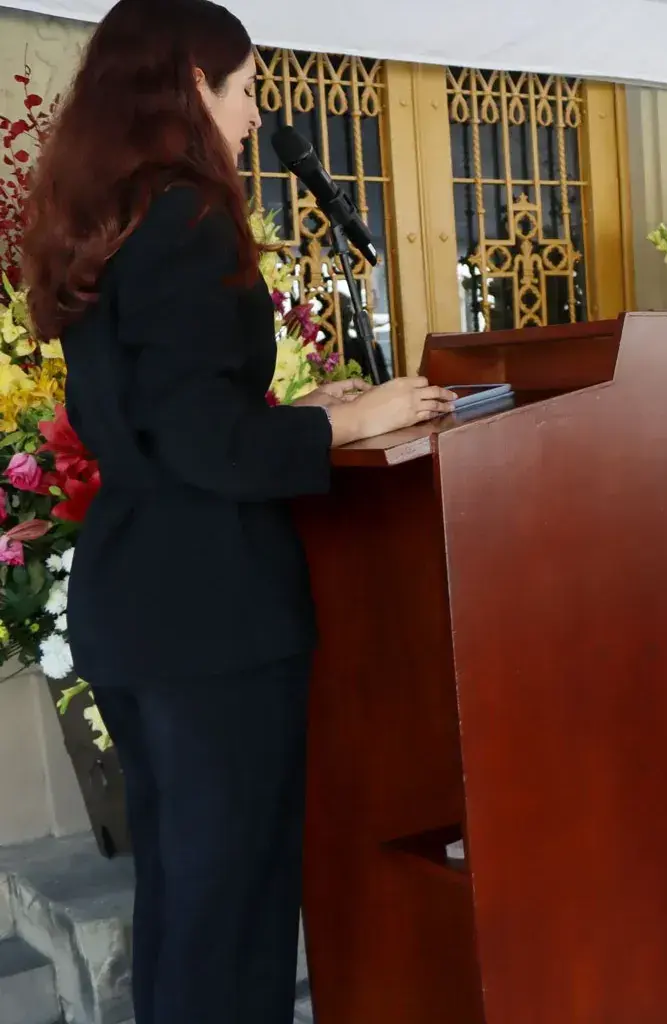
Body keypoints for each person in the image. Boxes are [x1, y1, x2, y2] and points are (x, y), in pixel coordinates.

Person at [20, 3, 455, 1021]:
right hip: (212, 619)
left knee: (186, 906)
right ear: (190, 91)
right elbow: (198, 444)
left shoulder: (108, 218)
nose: (257, 118)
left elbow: (164, 417)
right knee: (235, 919)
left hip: (140, 606)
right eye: (246, 90)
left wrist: (295, 411)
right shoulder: (184, 218)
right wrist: (350, 428)